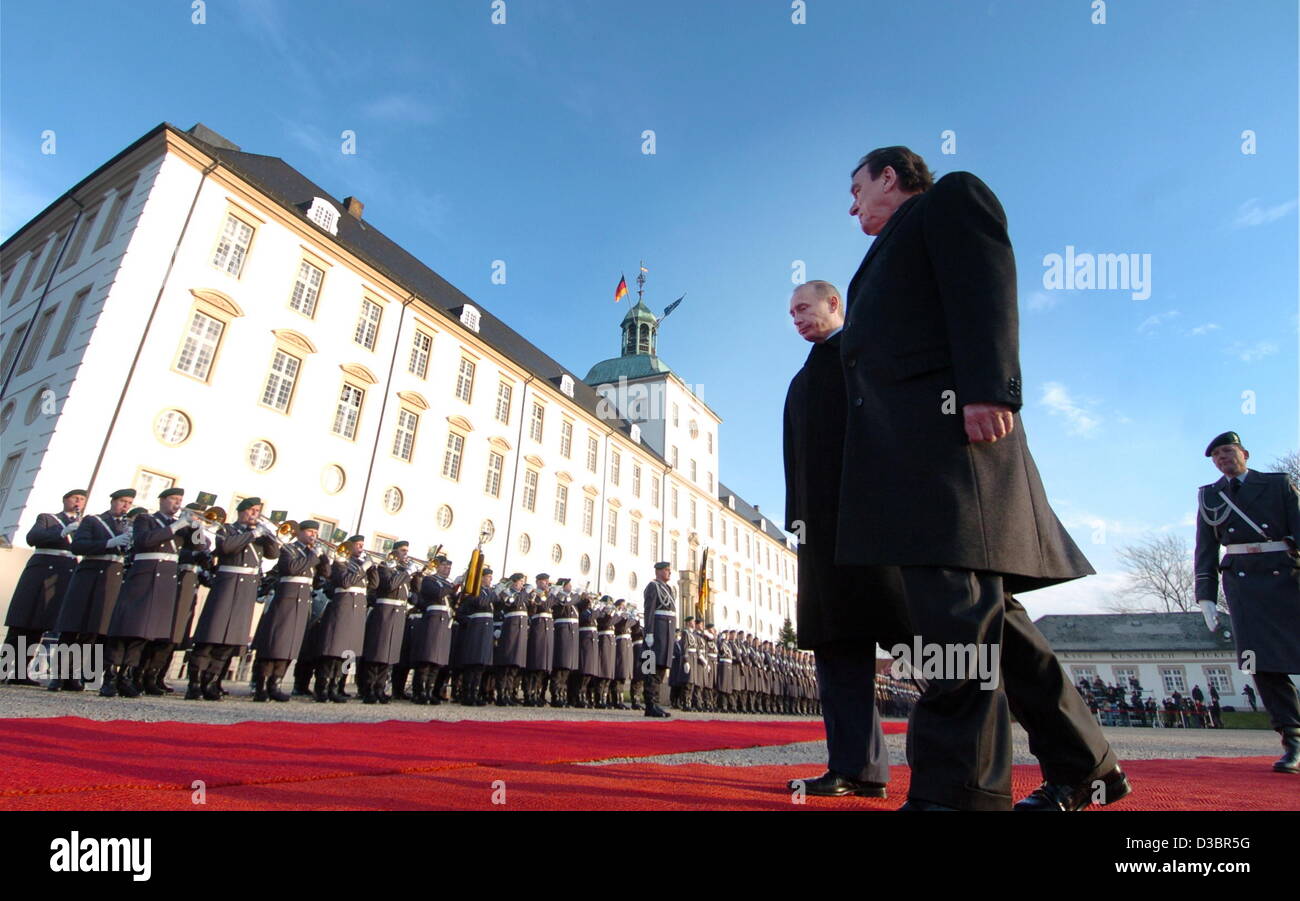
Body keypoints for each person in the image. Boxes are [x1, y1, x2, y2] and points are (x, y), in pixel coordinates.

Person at [836, 146, 1126, 810]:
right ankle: (1088, 766)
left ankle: (958, 793)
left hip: (948, 446)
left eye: (857, 188)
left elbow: (984, 281)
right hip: (910, 458)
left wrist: (989, 388)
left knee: (952, 623)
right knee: (992, 622)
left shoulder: (948, 200)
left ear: (889, 175)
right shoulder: (878, 258)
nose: (852, 205)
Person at [783, 279, 915, 797]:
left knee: (920, 646)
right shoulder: (801, 379)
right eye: (790, 313)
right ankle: (856, 769)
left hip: (876, 525)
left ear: (833, 303)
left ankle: (957, 769)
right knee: (837, 650)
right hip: (819, 538)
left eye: (802, 308)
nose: (795, 318)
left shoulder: (867, 354)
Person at [1194, 431, 1300, 774]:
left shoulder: (1278, 484)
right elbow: (1205, 549)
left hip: (1286, 576)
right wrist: (1206, 596)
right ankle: (1293, 740)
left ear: (1245, 454)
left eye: (1228, 451)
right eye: (1216, 456)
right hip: (1242, 585)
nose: (1223, 458)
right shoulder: (1210, 496)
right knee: (1261, 664)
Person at [187, 498, 281, 701]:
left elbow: (273, 554)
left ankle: (211, 682)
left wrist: (268, 535)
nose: (255, 514)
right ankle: (194, 684)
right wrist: (252, 534)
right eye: (252, 510)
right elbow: (226, 548)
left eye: (257, 511)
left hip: (246, 590)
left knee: (228, 641)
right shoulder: (227, 529)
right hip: (227, 586)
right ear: (241, 511)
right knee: (209, 637)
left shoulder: (258, 536)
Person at [49, 489, 134, 690]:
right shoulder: (93, 521)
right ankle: (58, 675)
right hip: (89, 574)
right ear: (113, 501)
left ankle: (74, 675)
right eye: (123, 501)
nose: (126, 506)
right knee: (72, 628)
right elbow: (78, 546)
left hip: (113, 575)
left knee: (94, 630)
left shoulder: (128, 525)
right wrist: (109, 543)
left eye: (129, 502)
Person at [2, 488, 85, 685]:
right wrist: (62, 531)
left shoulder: (83, 524)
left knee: (38, 627)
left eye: (82, 499)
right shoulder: (48, 519)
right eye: (75, 498)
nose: (78, 502)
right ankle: (3, 669)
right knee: (21, 625)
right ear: (65, 500)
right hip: (39, 575)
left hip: (63, 576)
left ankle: (21, 673)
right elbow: (34, 538)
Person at [249, 520, 331, 701]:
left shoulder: (312, 553)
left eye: (315, 532)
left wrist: (323, 557)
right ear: (299, 533)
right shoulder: (289, 549)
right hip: (286, 600)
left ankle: (275, 684)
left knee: (291, 645)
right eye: (309, 531)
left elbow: (325, 574)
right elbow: (292, 568)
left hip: (303, 602)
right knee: (274, 643)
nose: (313, 535)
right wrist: (312, 555)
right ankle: (261, 686)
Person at [641, 561, 675, 718]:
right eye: (667, 570)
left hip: (666, 635)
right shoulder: (653, 587)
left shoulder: (668, 588)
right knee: (651, 669)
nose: (669, 572)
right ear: (659, 571)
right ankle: (650, 705)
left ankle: (655, 703)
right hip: (656, 634)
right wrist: (648, 632)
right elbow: (649, 610)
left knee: (661, 669)